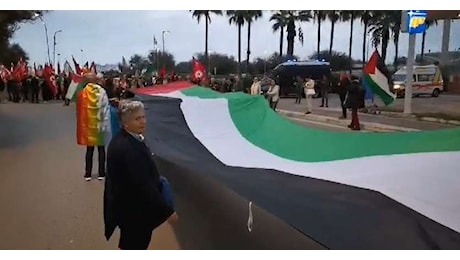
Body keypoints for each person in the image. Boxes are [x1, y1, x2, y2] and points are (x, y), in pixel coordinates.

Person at [104, 100, 178, 250]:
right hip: (134, 212)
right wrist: (167, 211)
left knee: (130, 244)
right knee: (135, 245)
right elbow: (144, 185)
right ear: (126, 123)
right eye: (137, 119)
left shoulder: (126, 139)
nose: (143, 121)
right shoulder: (129, 149)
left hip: (129, 209)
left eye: (143, 117)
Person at [76, 72, 110, 181]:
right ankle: (101, 173)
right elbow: (106, 108)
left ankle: (88, 174)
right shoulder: (102, 91)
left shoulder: (83, 93)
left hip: (89, 127)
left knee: (89, 150)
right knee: (101, 150)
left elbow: (80, 110)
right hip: (100, 125)